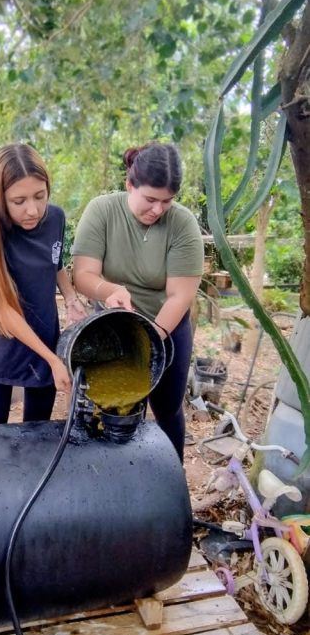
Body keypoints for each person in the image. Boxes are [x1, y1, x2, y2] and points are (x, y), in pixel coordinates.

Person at [72, 141, 204, 461]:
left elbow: (180, 296)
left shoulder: (182, 224)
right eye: (150, 199)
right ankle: (109, 474)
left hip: (166, 327)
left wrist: (148, 342)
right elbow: (83, 275)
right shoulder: (102, 211)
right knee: (106, 407)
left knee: (168, 409)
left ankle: (172, 476)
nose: (158, 210)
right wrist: (109, 290)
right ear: (130, 185)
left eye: (167, 201)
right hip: (112, 327)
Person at [0, 142, 87, 425]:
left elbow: (55, 262)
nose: (33, 210)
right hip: (1, 347)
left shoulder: (55, 217)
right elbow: (2, 310)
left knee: (38, 431)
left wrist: (71, 298)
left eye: (39, 196)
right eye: (19, 201)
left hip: (45, 337)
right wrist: (53, 360)